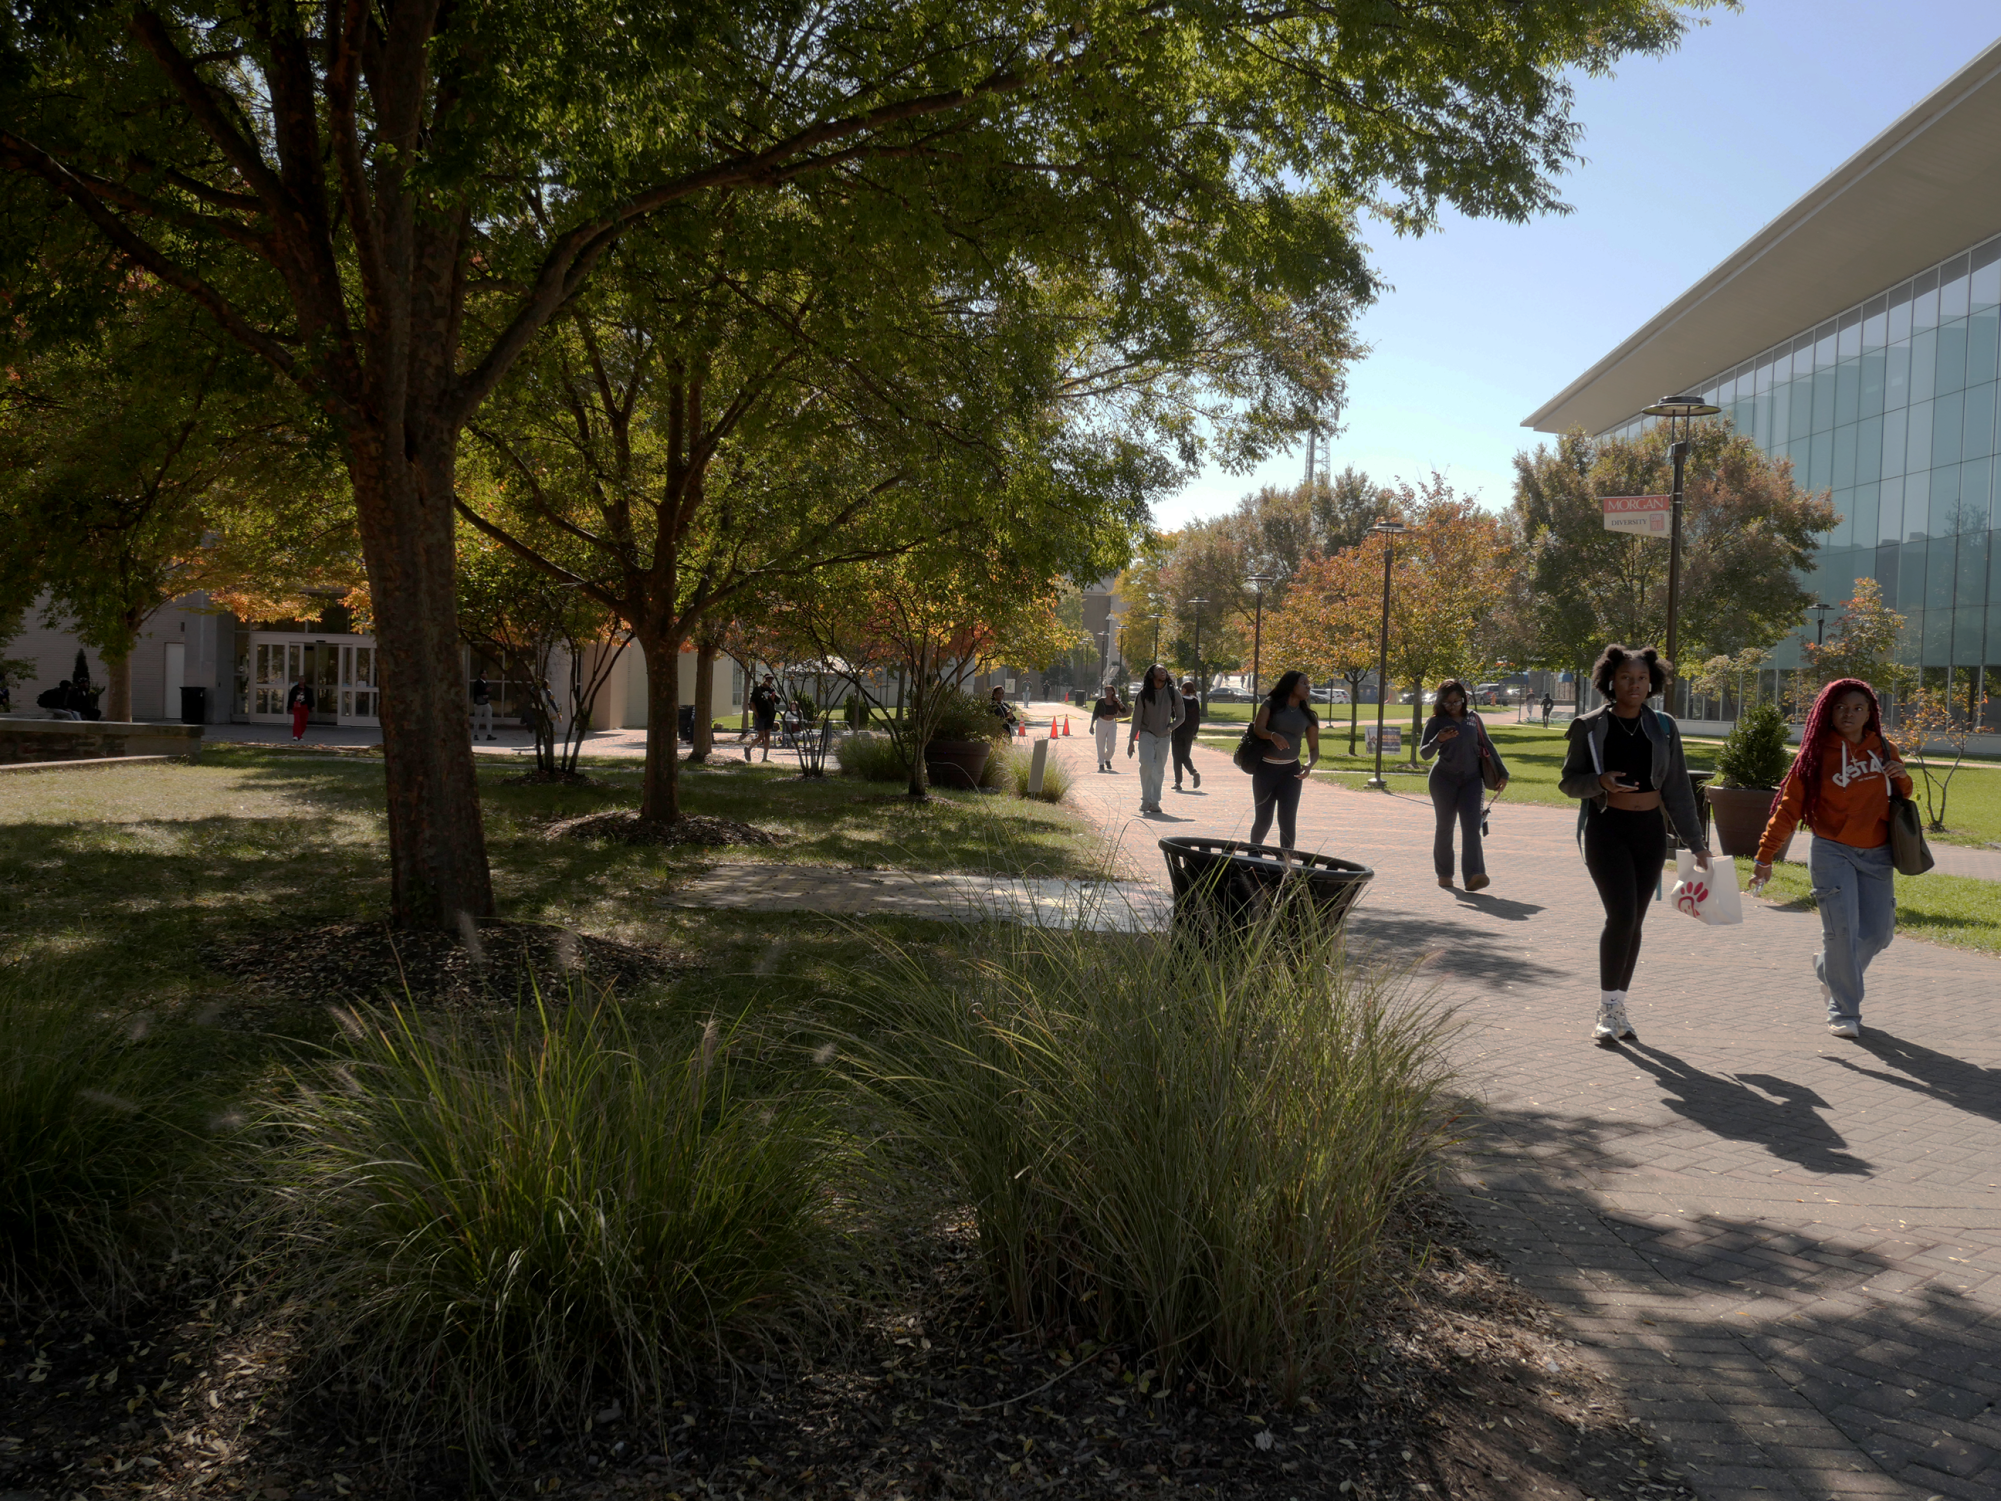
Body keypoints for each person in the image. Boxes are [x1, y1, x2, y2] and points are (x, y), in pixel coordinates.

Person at [1558, 645, 1711, 1045]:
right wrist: (1600, 783)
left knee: (1636, 921)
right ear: (1610, 680)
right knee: (1622, 917)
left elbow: (1677, 788)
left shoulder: (1663, 727)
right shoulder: (1589, 727)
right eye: (1626, 677)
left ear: (1652, 682)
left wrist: (1697, 845)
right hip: (1607, 830)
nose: (1634, 685)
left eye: (1642, 677)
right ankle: (1606, 1011)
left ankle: (1618, 1007)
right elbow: (1569, 782)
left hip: (1649, 833)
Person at [1752, 679, 1910, 1039]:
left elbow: (1902, 794)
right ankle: (1844, 1010)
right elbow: (1788, 809)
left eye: (1857, 708)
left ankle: (1828, 970)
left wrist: (1903, 779)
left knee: (1878, 933)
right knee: (1841, 932)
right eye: (1840, 707)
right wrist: (1766, 856)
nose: (1849, 714)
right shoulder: (1813, 755)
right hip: (1831, 851)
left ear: (1870, 713)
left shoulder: (1884, 748)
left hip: (1877, 853)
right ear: (1827, 711)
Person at [1420, 679, 1508, 892]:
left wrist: (1502, 773)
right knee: (1445, 827)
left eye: (1456, 701)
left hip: (1472, 780)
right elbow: (1424, 754)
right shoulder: (1435, 722)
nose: (1453, 706)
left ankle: (1474, 875)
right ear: (1440, 702)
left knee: (1472, 828)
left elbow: (1487, 745)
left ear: (1464, 699)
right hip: (1443, 780)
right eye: (1448, 703)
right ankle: (1444, 874)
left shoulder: (1473, 719)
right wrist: (1439, 739)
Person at [1247, 669, 1319, 851]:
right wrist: (1272, 735)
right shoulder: (1271, 704)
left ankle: (1286, 864)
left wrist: (1310, 764)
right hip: (1266, 770)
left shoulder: (1308, 716)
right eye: (1303, 683)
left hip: (1291, 772)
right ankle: (1253, 856)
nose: (1307, 686)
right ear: (1291, 685)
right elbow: (1258, 729)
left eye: (1308, 683)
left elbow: (1314, 748)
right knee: (1263, 820)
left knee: (1287, 821)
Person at [1125, 663, 1184, 814]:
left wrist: (1170, 728)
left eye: (1164, 670)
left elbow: (1181, 716)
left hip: (1164, 737)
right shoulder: (1143, 694)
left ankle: (1155, 802)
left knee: (1158, 769)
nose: (1163, 672)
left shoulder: (1173, 692)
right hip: (1146, 734)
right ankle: (1145, 800)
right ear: (1151, 674)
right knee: (1146, 765)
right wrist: (1131, 741)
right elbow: (1136, 719)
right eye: (1159, 670)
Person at [1171, 677, 1202, 791]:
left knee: (1177, 757)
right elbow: (1197, 718)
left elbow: (1173, 715)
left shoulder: (1179, 701)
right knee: (1185, 755)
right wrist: (1195, 732)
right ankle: (1194, 772)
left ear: (1184, 689)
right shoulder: (1195, 701)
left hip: (1178, 730)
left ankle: (1178, 782)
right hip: (1189, 732)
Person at [1089, 683, 1125, 772]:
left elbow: (1123, 710)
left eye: (1110, 690)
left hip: (1112, 724)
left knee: (1111, 745)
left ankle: (1107, 759)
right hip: (1101, 723)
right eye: (1106, 690)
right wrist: (1091, 726)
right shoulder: (1100, 701)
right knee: (1100, 745)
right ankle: (1101, 763)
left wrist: (1118, 701)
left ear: (1113, 692)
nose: (1108, 692)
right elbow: (1095, 713)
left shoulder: (1115, 701)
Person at [748, 674, 781, 762]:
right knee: (761, 736)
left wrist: (773, 698)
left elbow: (776, 702)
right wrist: (756, 713)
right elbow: (752, 702)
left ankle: (765, 758)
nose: (770, 682)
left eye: (771, 680)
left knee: (767, 735)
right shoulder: (758, 689)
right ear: (764, 679)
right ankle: (748, 749)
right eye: (768, 680)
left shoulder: (771, 690)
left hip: (769, 715)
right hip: (760, 715)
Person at [285, 674, 313, 741]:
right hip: (296, 707)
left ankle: (299, 735)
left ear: (304, 681)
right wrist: (289, 708)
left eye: (302, 679)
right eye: (300, 679)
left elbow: (311, 699)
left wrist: (312, 706)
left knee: (303, 723)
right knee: (297, 721)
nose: (301, 681)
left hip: (304, 707)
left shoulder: (308, 690)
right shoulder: (294, 689)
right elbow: (290, 698)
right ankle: (295, 735)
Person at [470, 674, 495, 742]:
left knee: (489, 718)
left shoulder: (486, 683)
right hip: (479, 704)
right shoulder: (477, 683)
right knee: (477, 719)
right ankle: (475, 735)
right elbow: (477, 692)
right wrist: (484, 692)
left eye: (486, 673)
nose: (486, 675)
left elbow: (487, 693)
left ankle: (489, 734)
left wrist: (487, 693)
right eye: (484, 673)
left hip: (486, 703)